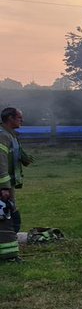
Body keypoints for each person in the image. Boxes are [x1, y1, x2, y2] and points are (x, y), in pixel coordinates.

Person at [0, 106, 32, 262]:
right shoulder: (2, 136)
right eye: (19, 117)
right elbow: (1, 162)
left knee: (10, 217)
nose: (22, 120)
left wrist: (25, 158)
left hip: (8, 185)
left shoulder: (10, 135)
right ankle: (9, 257)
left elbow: (15, 155)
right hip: (3, 186)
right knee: (7, 219)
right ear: (10, 118)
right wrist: (4, 187)